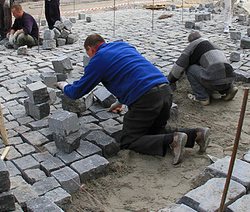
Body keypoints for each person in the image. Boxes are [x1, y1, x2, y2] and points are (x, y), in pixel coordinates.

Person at [56, 34, 210, 165]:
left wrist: (64, 86)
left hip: (145, 98)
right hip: (164, 90)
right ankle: (197, 134)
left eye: (88, 53)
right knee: (154, 131)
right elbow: (130, 71)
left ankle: (173, 140)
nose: (89, 57)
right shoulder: (122, 45)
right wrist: (121, 100)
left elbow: (76, 92)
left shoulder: (97, 60)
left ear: (90, 49)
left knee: (129, 139)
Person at [166, 31, 238, 106]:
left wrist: (169, 80)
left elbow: (179, 67)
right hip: (229, 78)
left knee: (190, 69)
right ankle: (230, 89)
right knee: (218, 74)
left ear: (190, 42)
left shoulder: (193, 45)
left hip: (214, 79)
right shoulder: (213, 44)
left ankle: (203, 98)